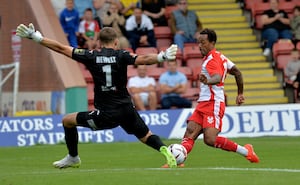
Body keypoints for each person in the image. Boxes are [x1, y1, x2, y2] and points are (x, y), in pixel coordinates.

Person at [16, 23, 179, 168]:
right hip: (127, 109)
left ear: (100, 42)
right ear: (116, 41)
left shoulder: (91, 56)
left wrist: (37, 37)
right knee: (145, 135)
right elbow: (142, 59)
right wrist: (162, 56)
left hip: (107, 114)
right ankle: (165, 151)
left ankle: (73, 157)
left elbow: (61, 48)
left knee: (67, 121)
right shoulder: (122, 55)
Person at [163, 28, 259, 168]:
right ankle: (177, 162)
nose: (200, 46)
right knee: (190, 131)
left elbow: (217, 77)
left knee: (210, 139)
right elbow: (237, 72)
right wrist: (240, 93)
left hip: (213, 103)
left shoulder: (212, 60)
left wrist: (208, 81)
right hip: (204, 102)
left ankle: (246, 151)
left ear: (212, 43)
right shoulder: (221, 57)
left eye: (203, 42)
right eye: (199, 42)